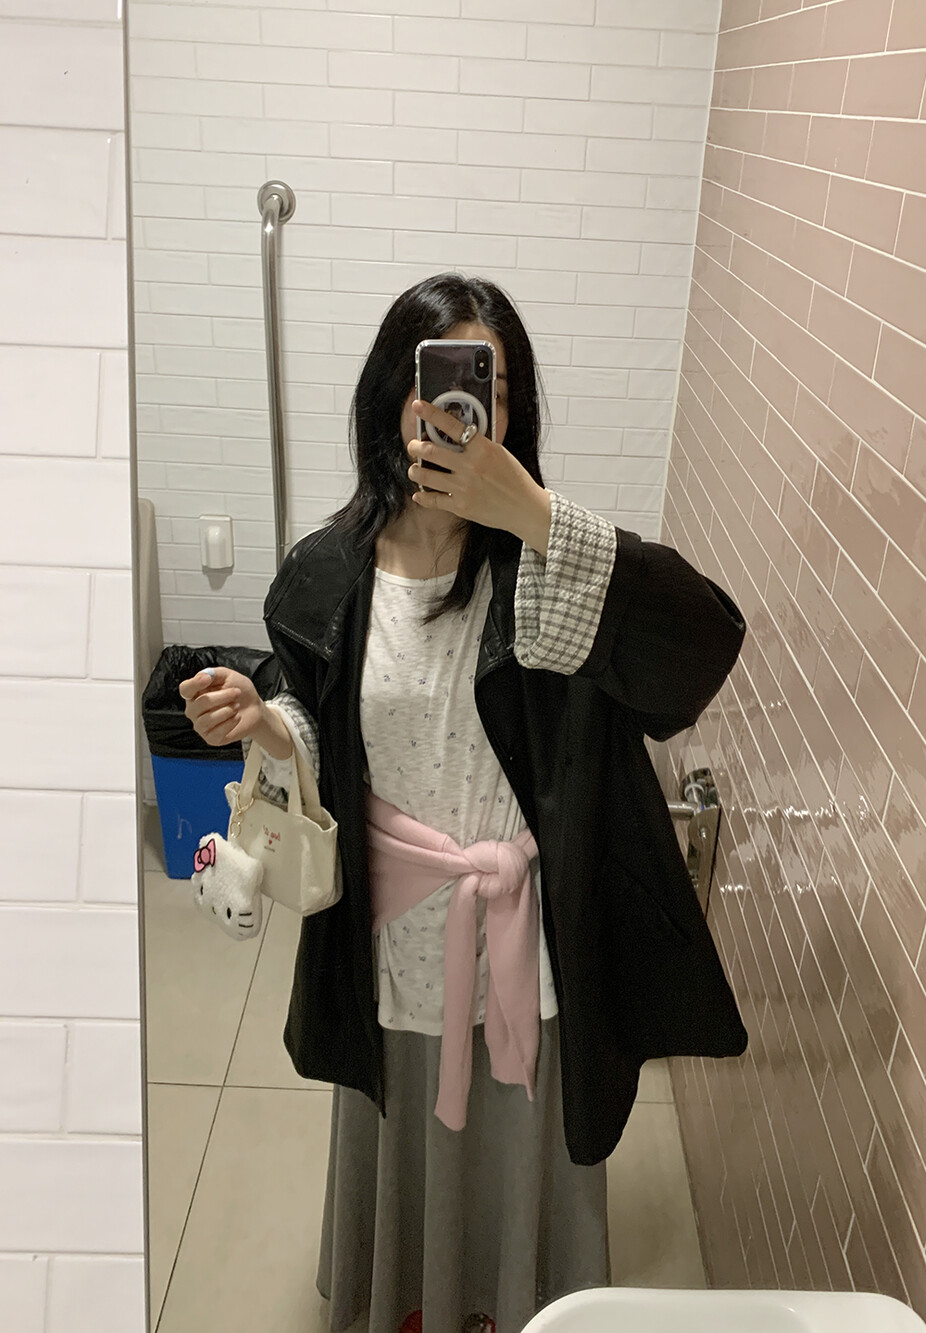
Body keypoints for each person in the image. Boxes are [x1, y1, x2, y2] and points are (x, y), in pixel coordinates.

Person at [179, 272, 748, 1333]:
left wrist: (532, 514)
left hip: (525, 931)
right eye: (433, 378)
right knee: (405, 1117)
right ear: (389, 396)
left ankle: (516, 1304)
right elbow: (320, 725)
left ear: (511, 413)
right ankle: (410, 1296)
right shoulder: (328, 572)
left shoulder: (548, 567)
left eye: (489, 385)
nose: (455, 407)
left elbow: (701, 648)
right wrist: (264, 720)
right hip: (392, 931)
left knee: (516, 1129)